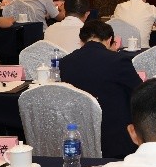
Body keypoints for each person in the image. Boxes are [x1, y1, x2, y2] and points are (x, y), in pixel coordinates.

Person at [59, 20, 143, 159]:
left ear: (82, 40)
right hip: (115, 140)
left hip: (78, 134)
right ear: (109, 40)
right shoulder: (118, 60)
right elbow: (140, 90)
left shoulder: (66, 62)